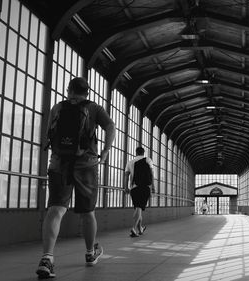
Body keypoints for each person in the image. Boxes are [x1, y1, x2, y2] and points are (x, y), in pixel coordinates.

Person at [36, 77, 116, 279]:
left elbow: (48, 135)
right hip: (86, 165)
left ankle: (47, 258)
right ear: (87, 92)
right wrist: (105, 151)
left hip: (59, 164)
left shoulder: (57, 108)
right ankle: (90, 254)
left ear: (68, 90)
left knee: (55, 209)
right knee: (88, 212)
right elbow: (110, 126)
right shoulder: (94, 108)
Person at [125, 146, 156, 237]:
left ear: (136, 152)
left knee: (138, 208)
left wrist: (126, 188)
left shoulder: (130, 162)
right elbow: (151, 174)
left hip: (134, 188)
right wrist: (153, 187)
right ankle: (133, 228)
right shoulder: (148, 160)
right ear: (143, 153)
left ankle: (140, 229)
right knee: (139, 208)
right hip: (144, 187)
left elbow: (126, 176)